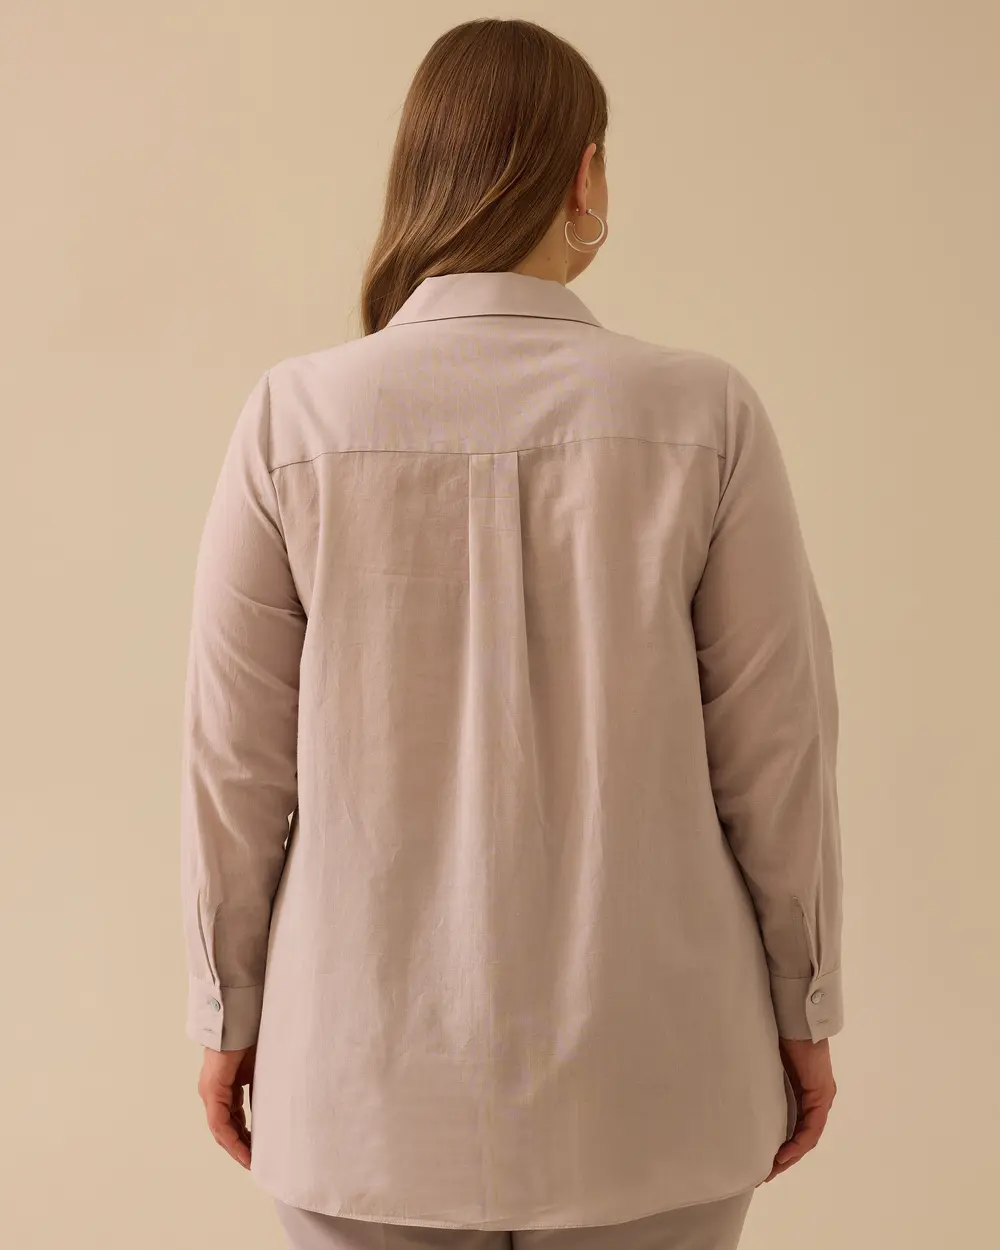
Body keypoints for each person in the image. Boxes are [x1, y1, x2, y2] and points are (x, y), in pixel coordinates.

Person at [180, 17, 843, 1250]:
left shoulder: (292, 419)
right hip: (658, 1079)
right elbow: (777, 750)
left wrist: (230, 1009)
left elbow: (234, 764)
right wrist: (803, 1000)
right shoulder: (703, 414)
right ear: (585, 176)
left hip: (362, 1084)